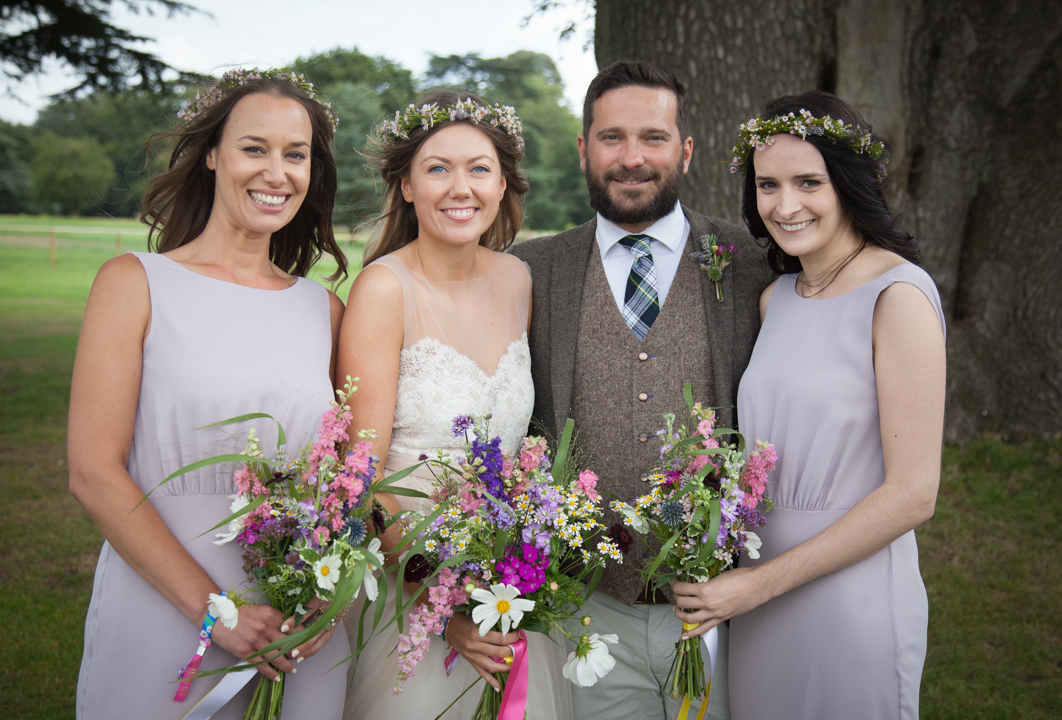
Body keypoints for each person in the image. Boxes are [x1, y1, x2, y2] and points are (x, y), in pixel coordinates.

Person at [69, 68, 350, 719]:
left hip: (295, 629)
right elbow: (92, 472)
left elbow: (342, 477)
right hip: (164, 603)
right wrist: (216, 613)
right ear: (212, 155)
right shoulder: (135, 283)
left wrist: (332, 590)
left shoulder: (324, 311)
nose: (276, 172)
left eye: (295, 154)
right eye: (255, 148)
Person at [671, 91, 946, 719]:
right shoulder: (778, 299)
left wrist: (757, 584)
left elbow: (913, 494)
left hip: (849, 595)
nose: (785, 205)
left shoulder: (896, 295)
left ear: (848, 184)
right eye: (768, 185)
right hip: (755, 596)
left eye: (808, 182)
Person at [511, 60, 772, 720]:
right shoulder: (530, 271)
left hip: (725, 606)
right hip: (586, 608)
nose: (632, 158)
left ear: (684, 151)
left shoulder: (754, 265)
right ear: (582, 150)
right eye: (611, 138)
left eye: (653, 138)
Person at [338, 89, 573, 720]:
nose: (458, 187)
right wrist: (446, 609)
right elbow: (361, 480)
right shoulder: (384, 289)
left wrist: (509, 578)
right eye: (437, 168)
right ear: (407, 186)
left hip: (507, 591)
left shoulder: (518, 280)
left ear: (503, 186)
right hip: (408, 590)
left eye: (478, 169)